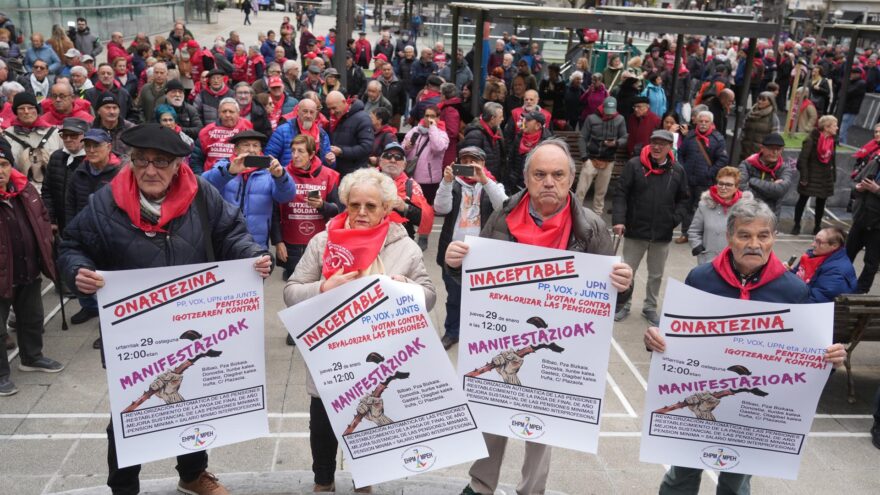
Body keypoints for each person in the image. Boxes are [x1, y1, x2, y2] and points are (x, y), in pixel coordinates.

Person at [59, 123, 270, 495]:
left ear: (177, 165)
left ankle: (192, 474)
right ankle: (123, 486)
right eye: (141, 160)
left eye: (160, 161)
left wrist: (252, 257)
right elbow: (71, 245)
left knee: (192, 401)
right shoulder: (105, 203)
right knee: (130, 412)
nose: (150, 170)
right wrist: (78, 271)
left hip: (192, 321)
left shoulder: (201, 193)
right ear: (130, 161)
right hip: (135, 331)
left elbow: (231, 233)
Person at [445, 139, 633, 495]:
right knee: (492, 406)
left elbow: (610, 295)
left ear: (572, 179)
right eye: (540, 174)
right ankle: (480, 485)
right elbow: (478, 279)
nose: (549, 182)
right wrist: (457, 265)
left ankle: (532, 490)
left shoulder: (592, 228)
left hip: (557, 342)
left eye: (558, 175)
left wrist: (624, 285)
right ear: (527, 179)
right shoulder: (502, 216)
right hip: (504, 334)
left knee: (543, 418)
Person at [645, 199, 846, 495]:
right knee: (680, 476)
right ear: (729, 237)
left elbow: (807, 358)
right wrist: (655, 340)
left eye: (763, 236)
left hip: (753, 411)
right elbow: (673, 337)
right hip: (702, 397)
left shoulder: (793, 290)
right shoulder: (701, 279)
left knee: (736, 483)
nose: (754, 244)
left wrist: (829, 360)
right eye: (744, 235)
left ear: (774, 238)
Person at [283, 167, 435, 492]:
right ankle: (322, 481)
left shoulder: (404, 247)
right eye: (355, 205)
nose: (362, 213)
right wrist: (323, 288)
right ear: (345, 205)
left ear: (386, 209)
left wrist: (405, 285)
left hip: (378, 356)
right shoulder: (324, 241)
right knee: (323, 423)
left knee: (370, 420)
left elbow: (429, 297)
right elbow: (291, 292)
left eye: (371, 206)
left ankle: (364, 481)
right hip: (330, 354)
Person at [0, 139, 65, 397]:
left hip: (27, 269)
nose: (1, 171)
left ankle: (32, 357)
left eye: (4, 164)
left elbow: (42, 218)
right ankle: (1, 374)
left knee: (32, 317)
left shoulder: (25, 190)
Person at [613, 130, 689, 326]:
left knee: (656, 275)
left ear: (670, 147)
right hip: (635, 229)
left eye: (662, 144)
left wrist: (674, 219)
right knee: (627, 271)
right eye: (654, 142)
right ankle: (623, 305)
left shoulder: (677, 170)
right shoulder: (634, 165)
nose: (657, 147)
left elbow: (684, 199)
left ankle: (650, 307)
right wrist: (619, 220)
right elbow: (621, 193)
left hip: (662, 233)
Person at [434, 146, 507, 349]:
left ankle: (477, 333)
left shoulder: (492, 184)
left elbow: (504, 206)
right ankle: (452, 332)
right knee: (455, 297)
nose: (469, 166)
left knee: (481, 299)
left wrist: (484, 180)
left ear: (483, 164)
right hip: (453, 253)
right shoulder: (453, 184)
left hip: (483, 254)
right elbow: (441, 208)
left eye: (474, 162)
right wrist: (446, 182)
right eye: (464, 161)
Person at [64, 128, 125, 331]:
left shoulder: (121, 171)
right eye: (87, 145)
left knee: (108, 285)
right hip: (84, 232)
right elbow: (70, 202)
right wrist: (71, 230)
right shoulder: (79, 172)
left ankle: (108, 327)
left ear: (108, 146)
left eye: (96, 145)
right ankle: (89, 307)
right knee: (86, 274)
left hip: (111, 236)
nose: (91, 150)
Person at [203, 129, 295, 250]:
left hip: (256, 243)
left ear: (260, 150)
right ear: (236, 149)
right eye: (246, 145)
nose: (251, 150)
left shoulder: (270, 171)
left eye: (255, 146)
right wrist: (229, 171)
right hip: (223, 239)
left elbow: (286, 197)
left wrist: (280, 176)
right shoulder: (224, 166)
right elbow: (204, 186)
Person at [278, 133, 342, 287]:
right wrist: (277, 241)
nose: (295, 155)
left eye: (300, 151)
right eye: (293, 151)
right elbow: (273, 211)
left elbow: (339, 210)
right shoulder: (282, 174)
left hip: (319, 242)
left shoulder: (329, 175)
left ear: (312, 154)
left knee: (316, 290)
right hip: (290, 243)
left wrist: (322, 206)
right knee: (292, 289)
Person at [676, 110, 729, 244]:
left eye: (706, 122)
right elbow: (681, 153)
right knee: (687, 207)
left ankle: (699, 236)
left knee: (701, 209)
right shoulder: (690, 136)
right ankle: (685, 233)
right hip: (688, 179)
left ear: (711, 123)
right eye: (701, 121)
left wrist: (710, 172)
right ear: (697, 122)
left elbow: (722, 160)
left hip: (705, 181)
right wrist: (683, 169)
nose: (703, 124)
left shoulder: (718, 139)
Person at [688, 167, 751, 265]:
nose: (723, 187)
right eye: (720, 183)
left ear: (736, 187)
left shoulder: (746, 208)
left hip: (734, 262)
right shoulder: (704, 205)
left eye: (729, 184)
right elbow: (694, 231)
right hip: (708, 260)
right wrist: (698, 247)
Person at [577, 96, 626, 214]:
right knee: (580, 191)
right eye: (607, 112)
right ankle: (575, 213)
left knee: (601, 192)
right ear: (602, 108)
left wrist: (616, 143)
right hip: (591, 158)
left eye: (611, 112)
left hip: (608, 160)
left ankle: (597, 217)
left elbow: (625, 137)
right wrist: (584, 157)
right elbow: (582, 137)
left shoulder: (620, 119)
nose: (609, 115)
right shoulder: (591, 118)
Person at [3, 92, 63, 186]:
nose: (26, 111)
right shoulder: (6, 136)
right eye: (22, 108)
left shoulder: (55, 134)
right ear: (16, 112)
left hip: (52, 188)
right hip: (20, 190)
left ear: (37, 109)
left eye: (30, 107)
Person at [377, 141, 434, 241]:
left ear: (404, 165)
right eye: (388, 156)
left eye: (398, 157)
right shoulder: (366, 179)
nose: (393, 160)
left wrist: (404, 207)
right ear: (380, 161)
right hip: (371, 237)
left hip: (401, 241)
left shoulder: (411, 186)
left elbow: (423, 218)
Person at [792, 115, 838, 236]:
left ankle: (817, 226)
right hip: (811, 176)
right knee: (802, 200)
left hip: (825, 177)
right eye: (834, 125)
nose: (837, 128)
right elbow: (803, 160)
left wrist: (833, 176)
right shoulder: (810, 140)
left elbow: (832, 160)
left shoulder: (832, 141)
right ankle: (796, 224)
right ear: (826, 127)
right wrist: (804, 177)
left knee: (821, 203)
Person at [42, 117, 87, 235]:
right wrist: (51, 219)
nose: (68, 139)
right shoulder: (56, 156)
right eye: (64, 135)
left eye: (73, 136)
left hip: (85, 226)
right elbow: (47, 191)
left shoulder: (91, 160)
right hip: (60, 225)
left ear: (84, 136)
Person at [789, 227, 857, 303]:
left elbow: (816, 300)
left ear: (834, 246)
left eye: (819, 242)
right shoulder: (813, 254)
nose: (813, 244)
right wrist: (785, 273)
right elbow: (795, 273)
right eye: (814, 240)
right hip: (802, 297)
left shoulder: (836, 272)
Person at [846, 147, 880, 294]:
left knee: (871, 263)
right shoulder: (874, 162)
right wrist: (858, 188)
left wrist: (877, 190)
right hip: (861, 218)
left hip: (878, 226)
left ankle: (860, 293)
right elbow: (854, 182)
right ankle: (840, 283)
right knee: (847, 255)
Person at [738, 132, 795, 217]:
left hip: (770, 217)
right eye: (771, 148)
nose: (775, 152)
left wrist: (752, 181)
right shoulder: (747, 164)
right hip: (746, 213)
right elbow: (741, 187)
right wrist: (771, 192)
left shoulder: (785, 169)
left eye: (778, 149)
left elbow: (779, 190)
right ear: (762, 148)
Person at [191, 98, 254, 174]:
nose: (227, 115)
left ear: (238, 113)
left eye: (231, 112)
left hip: (240, 175)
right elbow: (196, 160)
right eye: (224, 111)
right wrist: (201, 179)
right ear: (219, 113)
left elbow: (254, 155)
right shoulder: (206, 131)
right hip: (211, 177)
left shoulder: (247, 128)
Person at [403, 105, 449, 207]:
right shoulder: (415, 130)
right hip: (411, 177)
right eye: (427, 115)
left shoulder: (442, 134)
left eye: (432, 116)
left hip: (429, 181)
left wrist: (433, 128)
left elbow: (437, 147)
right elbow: (403, 151)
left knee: (425, 210)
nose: (429, 119)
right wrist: (407, 147)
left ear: (438, 118)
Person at [266, 98, 332, 168]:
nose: (308, 115)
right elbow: (268, 159)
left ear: (316, 114)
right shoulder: (282, 131)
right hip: (288, 176)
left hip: (314, 177)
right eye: (305, 111)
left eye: (311, 112)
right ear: (297, 111)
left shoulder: (322, 134)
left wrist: (330, 161)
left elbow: (328, 165)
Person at [326, 90, 373, 177]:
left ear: (344, 102)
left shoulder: (363, 118)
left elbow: (366, 148)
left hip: (356, 174)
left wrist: (342, 151)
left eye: (334, 108)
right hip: (338, 171)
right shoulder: (334, 118)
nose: (332, 112)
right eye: (329, 109)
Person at [460, 102, 506, 179]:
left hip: (490, 180)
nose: (502, 119)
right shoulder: (475, 135)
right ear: (492, 119)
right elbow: (468, 164)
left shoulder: (496, 131)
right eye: (500, 117)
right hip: (478, 182)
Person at [92, 92, 136, 158]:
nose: (112, 112)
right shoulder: (90, 129)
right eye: (107, 108)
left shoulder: (131, 129)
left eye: (115, 108)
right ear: (98, 111)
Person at [740, 91, 779, 158]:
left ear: (770, 102)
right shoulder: (750, 113)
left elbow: (773, 138)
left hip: (760, 156)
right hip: (745, 152)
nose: (760, 101)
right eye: (759, 98)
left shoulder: (773, 118)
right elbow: (743, 130)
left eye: (763, 100)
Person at [839, 66, 867, 145]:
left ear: (858, 74)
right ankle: (842, 144)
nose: (851, 75)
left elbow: (848, 92)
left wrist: (847, 84)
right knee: (842, 130)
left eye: (853, 73)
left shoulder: (861, 83)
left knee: (842, 130)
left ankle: (842, 144)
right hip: (847, 108)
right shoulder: (853, 82)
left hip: (851, 109)